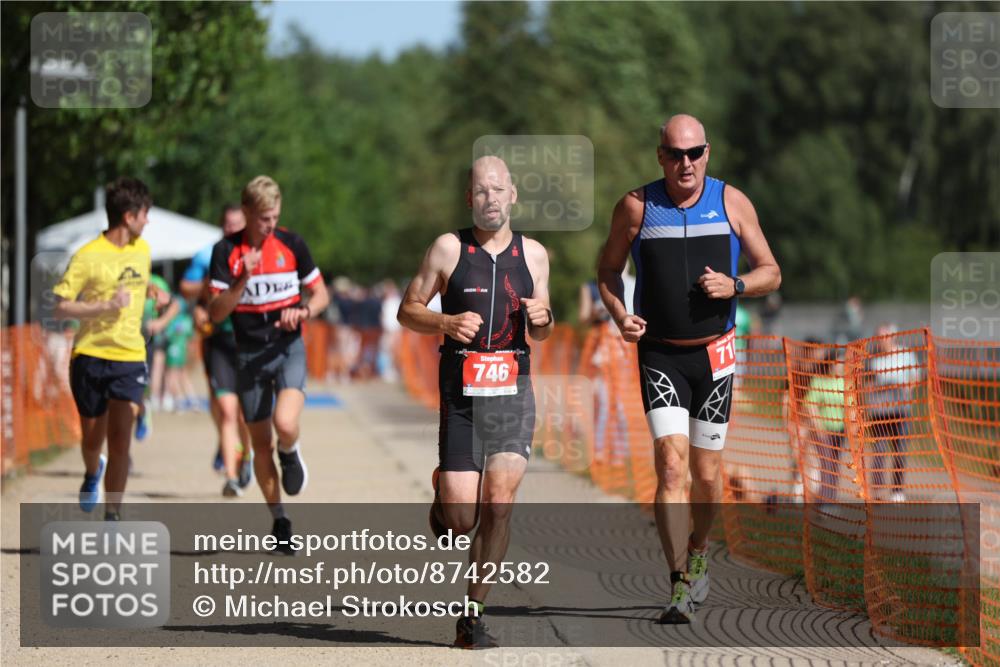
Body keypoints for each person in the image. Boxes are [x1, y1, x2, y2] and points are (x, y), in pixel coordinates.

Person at [597, 114, 781, 623]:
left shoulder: (731, 202)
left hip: (715, 355)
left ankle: (700, 551)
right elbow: (609, 268)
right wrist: (620, 314)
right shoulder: (636, 206)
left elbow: (772, 271)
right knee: (671, 466)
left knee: (706, 474)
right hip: (659, 354)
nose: (686, 163)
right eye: (675, 154)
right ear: (660, 156)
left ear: (708, 153)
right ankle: (678, 582)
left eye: (695, 153)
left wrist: (736, 285)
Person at [397, 155, 554, 649]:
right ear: (471, 199)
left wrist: (543, 317)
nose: (490, 198)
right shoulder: (448, 249)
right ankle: (445, 492)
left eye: (498, 189)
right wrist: (445, 323)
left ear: (513, 196)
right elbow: (408, 311)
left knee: (500, 502)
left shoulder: (535, 256)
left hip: (512, 390)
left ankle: (472, 614)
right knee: (463, 520)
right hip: (461, 394)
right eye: (480, 191)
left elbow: (544, 329)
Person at [209, 176, 329, 549]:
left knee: (285, 423)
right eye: (263, 218)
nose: (270, 224)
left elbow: (321, 293)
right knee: (260, 445)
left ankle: (290, 451)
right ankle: (279, 519)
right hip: (248, 355)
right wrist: (241, 277)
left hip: (287, 348)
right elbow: (215, 313)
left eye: (274, 216)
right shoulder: (225, 251)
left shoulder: (292, 244)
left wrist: (305, 310)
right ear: (246, 213)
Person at [52, 177, 153, 521]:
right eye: (145, 214)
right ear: (129, 216)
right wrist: (103, 307)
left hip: (129, 357)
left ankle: (113, 514)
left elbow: (137, 279)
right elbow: (60, 307)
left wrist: (152, 291)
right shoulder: (87, 256)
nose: (147, 221)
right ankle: (92, 470)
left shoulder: (143, 250)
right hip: (91, 356)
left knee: (121, 439)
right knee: (92, 440)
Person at [180, 204, 253, 496]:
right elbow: (187, 287)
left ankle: (245, 454)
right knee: (225, 409)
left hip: (249, 340)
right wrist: (203, 301)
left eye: (237, 224)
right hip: (218, 341)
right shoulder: (207, 254)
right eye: (227, 224)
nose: (232, 229)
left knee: (246, 415)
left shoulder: (256, 254)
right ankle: (232, 477)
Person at [864, 323, 921, 502]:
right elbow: (867, 384)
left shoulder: (906, 354)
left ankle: (897, 490)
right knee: (879, 451)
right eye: (879, 338)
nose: (882, 341)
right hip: (880, 412)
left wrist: (906, 388)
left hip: (901, 411)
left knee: (900, 450)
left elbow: (916, 378)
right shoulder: (873, 358)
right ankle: (878, 491)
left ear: (893, 337)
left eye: (885, 337)